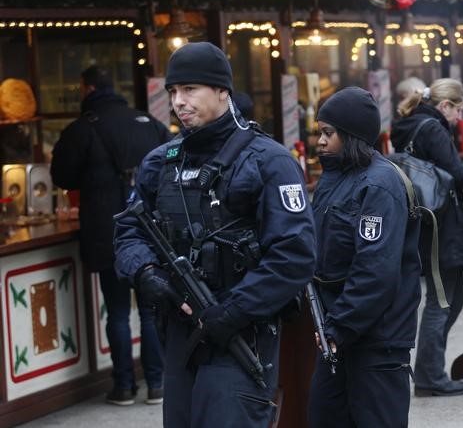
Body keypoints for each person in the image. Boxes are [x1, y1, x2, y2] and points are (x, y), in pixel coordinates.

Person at [114, 42, 316, 427]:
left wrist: (231, 311)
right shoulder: (161, 162)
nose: (179, 102)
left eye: (190, 89)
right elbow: (128, 230)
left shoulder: (269, 161)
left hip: (242, 333)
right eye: (173, 92)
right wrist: (146, 274)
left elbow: (294, 256)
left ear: (222, 90)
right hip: (180, 331)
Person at [50, 66, 170, 406]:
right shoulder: (149, 123)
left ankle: (124, 387)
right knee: (148, 309)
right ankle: (157, 383)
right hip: (150, 229)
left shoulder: (83, 128)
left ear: (87, 88)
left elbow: (61, 175)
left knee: (117, 311)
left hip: (107, 232)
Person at [307, 87, 421, 426]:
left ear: (352, 135)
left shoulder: (379, 184)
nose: (320, 141)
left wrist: (338, 326)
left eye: (328, 132)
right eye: (319, 132)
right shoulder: (334, 178)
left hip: (376, 339)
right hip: (337, 332)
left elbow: (375, 270)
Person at [391, 78, 463, 397]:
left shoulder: (406, 126)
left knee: (452, 296)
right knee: (442, 299)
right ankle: (429, 375)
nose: (460, 118)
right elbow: (456, 171)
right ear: (445, 105)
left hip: (424, 218)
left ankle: (429, 369)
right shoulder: (433, 129)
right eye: (458, 109)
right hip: (440, 222)